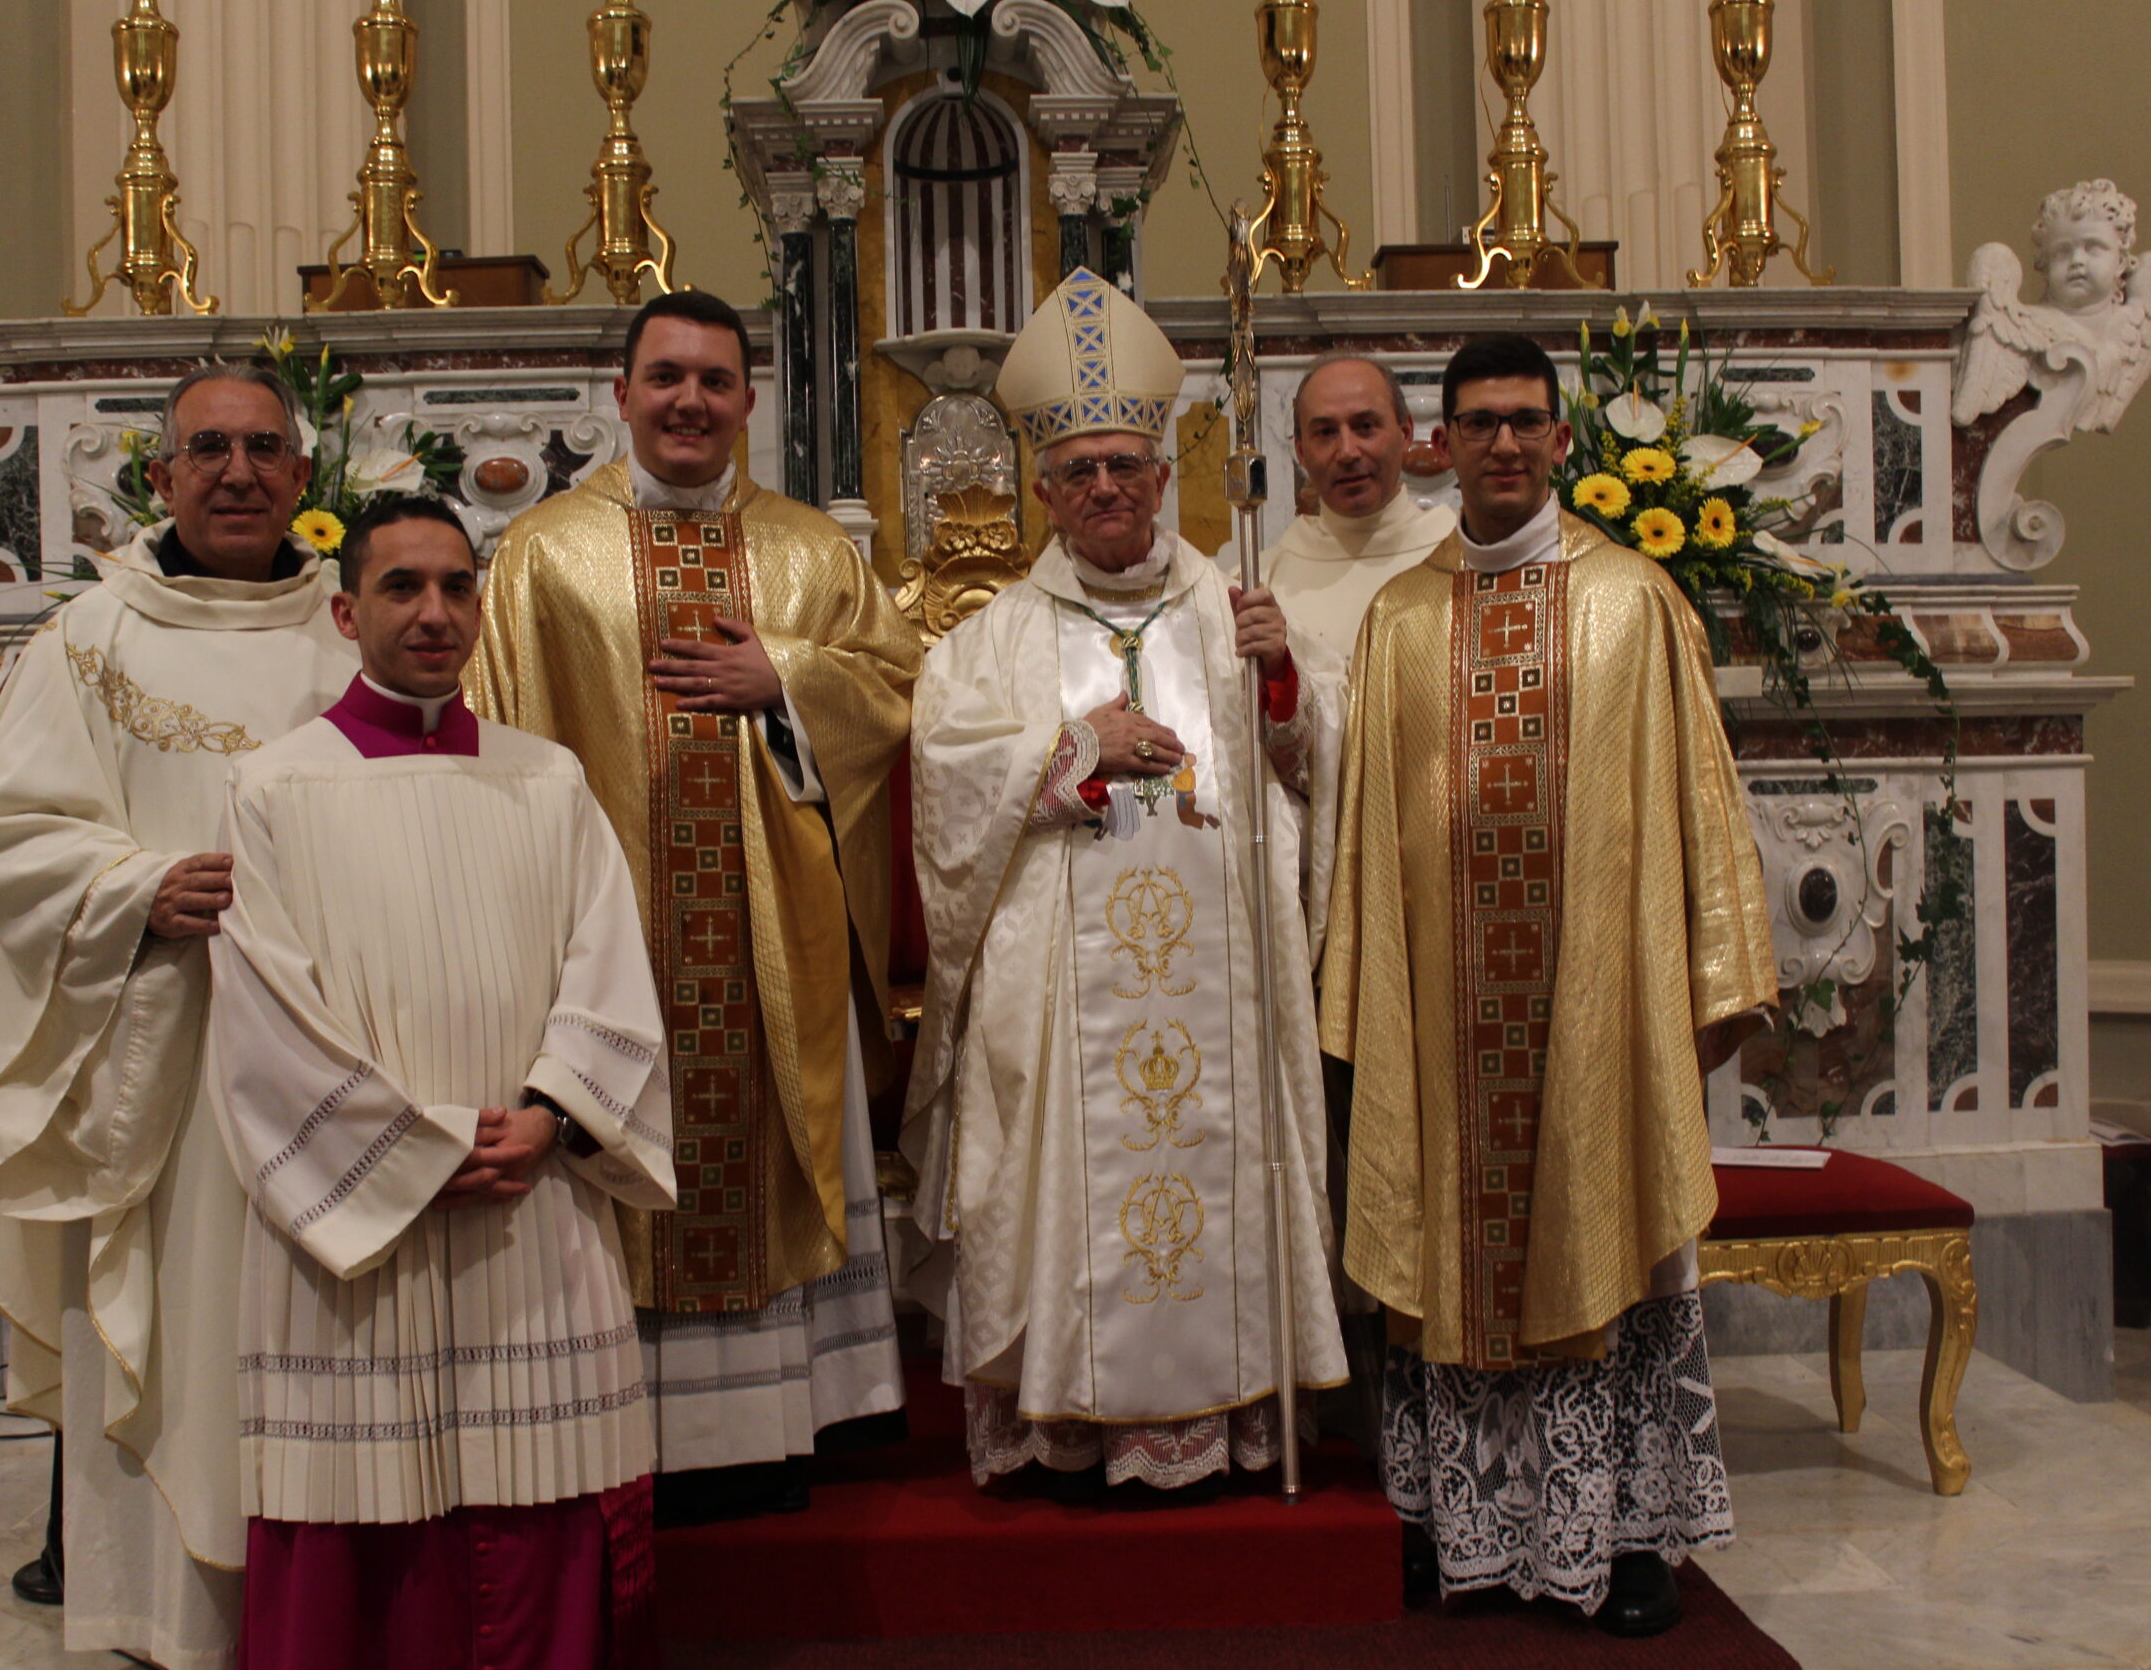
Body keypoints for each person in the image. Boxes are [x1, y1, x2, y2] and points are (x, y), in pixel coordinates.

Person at [1320, 332, 1776, 1634]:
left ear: (1561, 440)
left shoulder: (1636, 600)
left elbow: (1697, 802)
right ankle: (1450, 1520)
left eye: (1525, 419)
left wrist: (1705, 977)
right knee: (1445, 1249)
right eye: (1477, 422)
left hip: (1594, 1009)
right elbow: (1366, 839)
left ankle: (1628, 1530)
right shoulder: (1401, 615)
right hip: (1449, 1018)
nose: (1503, 442)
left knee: (1607, 1230)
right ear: (1440, 444)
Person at [0, 362, 356, 1669]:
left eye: (265, 448)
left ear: (302, 478)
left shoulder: (360, 632)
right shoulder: (88, 643)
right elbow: (7, 840)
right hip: (171, 1058)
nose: (237, 472)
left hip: (335, 1059)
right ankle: (176, 1620)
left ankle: (323, 1610)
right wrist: (142, 886)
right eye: (208, 449)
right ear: (160, 479)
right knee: (187, 1323)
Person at [467, 289, 919, 1524]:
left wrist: (791, 679)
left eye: (715, 381)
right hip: (604, 938)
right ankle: (628, 1421)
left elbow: (894, 697)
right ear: (619, 395)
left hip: (774, 932)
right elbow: (496, 734)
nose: (689, 402)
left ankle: (773, 1424)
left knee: (767, 1140)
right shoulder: (542, 555)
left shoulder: (812, 553)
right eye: (665, 377)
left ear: (747, 403)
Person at [903, 268, 1348, 1495]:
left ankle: (1231, 1408)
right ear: (1041, 490)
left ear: (1163, 475)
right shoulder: (985, 641)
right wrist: (1067, 753)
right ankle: (1069, 1418)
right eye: (1079, 470)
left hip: (1224, 985)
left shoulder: (1237, 609)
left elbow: (1319, 771)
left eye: (1126, 465)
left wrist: (1285, 693)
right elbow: (942, 783)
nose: (1106, 487)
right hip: (1056, 1006)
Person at [210, 496, 673, 1670]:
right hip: (364, 1234)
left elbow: (608, 965)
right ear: (344, 609)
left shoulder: (548, 779)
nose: (434, 612)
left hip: (529, 1195)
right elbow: (265, 1017)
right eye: (403, 587)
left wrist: (553, 1116)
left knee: (537, 1498)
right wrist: (413, 1151)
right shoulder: (274, 788)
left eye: (456, 587)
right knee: (364, 1514)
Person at [1265, 353, 1456, 658]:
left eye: (1365, 426)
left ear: (1405, 433)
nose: (1347, 452)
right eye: (1326, 433)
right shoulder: (1264, 581)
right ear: (1301, 451)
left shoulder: (1460, 556)